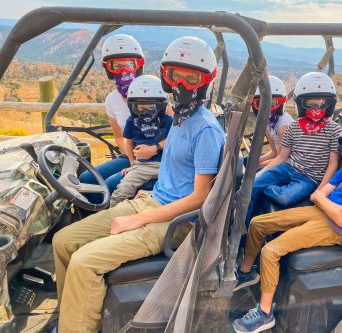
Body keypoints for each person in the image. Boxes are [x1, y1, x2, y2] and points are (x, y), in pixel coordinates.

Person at [52, 36, 225, 333]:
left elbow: (200, 197)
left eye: (191, 78)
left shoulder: (206, 129)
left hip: (176, 221)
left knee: (84, 262)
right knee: (63, 241)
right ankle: (70, 315)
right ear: (164, 76)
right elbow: (171, 168)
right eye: (175, 76)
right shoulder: (180, 118)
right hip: (154, 202)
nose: (182, 86)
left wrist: (138, 219)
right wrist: (148, 190)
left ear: (207, 80)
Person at [232, 116, 342, 333]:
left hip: (336, 229)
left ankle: (265, 313)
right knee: (258, 223)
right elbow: (318, 195)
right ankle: (247, 271)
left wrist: (324, 201)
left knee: (270, 251)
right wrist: (327, 203)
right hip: (321, 213)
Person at [245, 72, 340, 225]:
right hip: (287, 168)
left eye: (322, 105)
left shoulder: (333, 130)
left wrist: (320, 191)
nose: (317, 109)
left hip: (309, 178)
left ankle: (265, 189)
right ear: (301, 104)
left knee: (283, 197)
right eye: (311, 104)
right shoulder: (294, 127)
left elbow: (333, 164)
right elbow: (282, 157)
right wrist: (261, 173)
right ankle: (241, 229)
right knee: (251, 185)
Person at [79, 34, 147, 202]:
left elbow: (171, 129)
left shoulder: (152, 92)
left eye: (128, 65)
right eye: (116, 66)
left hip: (154, 157)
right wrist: (131, 158)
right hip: (131, 155)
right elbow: (118, 136)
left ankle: (109, 220)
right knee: (85, 180)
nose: (123, 71)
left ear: (137, 66)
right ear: (109, 69)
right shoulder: (112, 99)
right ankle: (91, 220)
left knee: (110, 185)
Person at [109, 75, 173, 207]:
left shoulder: (168, 121)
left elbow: (175, 138)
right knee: (121, 192)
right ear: (133, 107)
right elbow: (129, 142)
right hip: (142, 166)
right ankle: (110, 216)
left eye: (151, 108)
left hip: (166, 165)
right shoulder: (132, 121)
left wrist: (155, 148)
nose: (146, 113)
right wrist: (133, 164)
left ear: (161, 106)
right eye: (140, 108)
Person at [250, 76, 293, 167]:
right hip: (278, 159)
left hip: (288, 164)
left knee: (254, 169)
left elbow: (282, 159)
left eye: (272, 104)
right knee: (247, 161)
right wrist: (253, 162)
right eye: (260, 103)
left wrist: (257, 165)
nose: (267, 109)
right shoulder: (268, 122)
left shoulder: (283, 127)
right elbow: (274, 152)